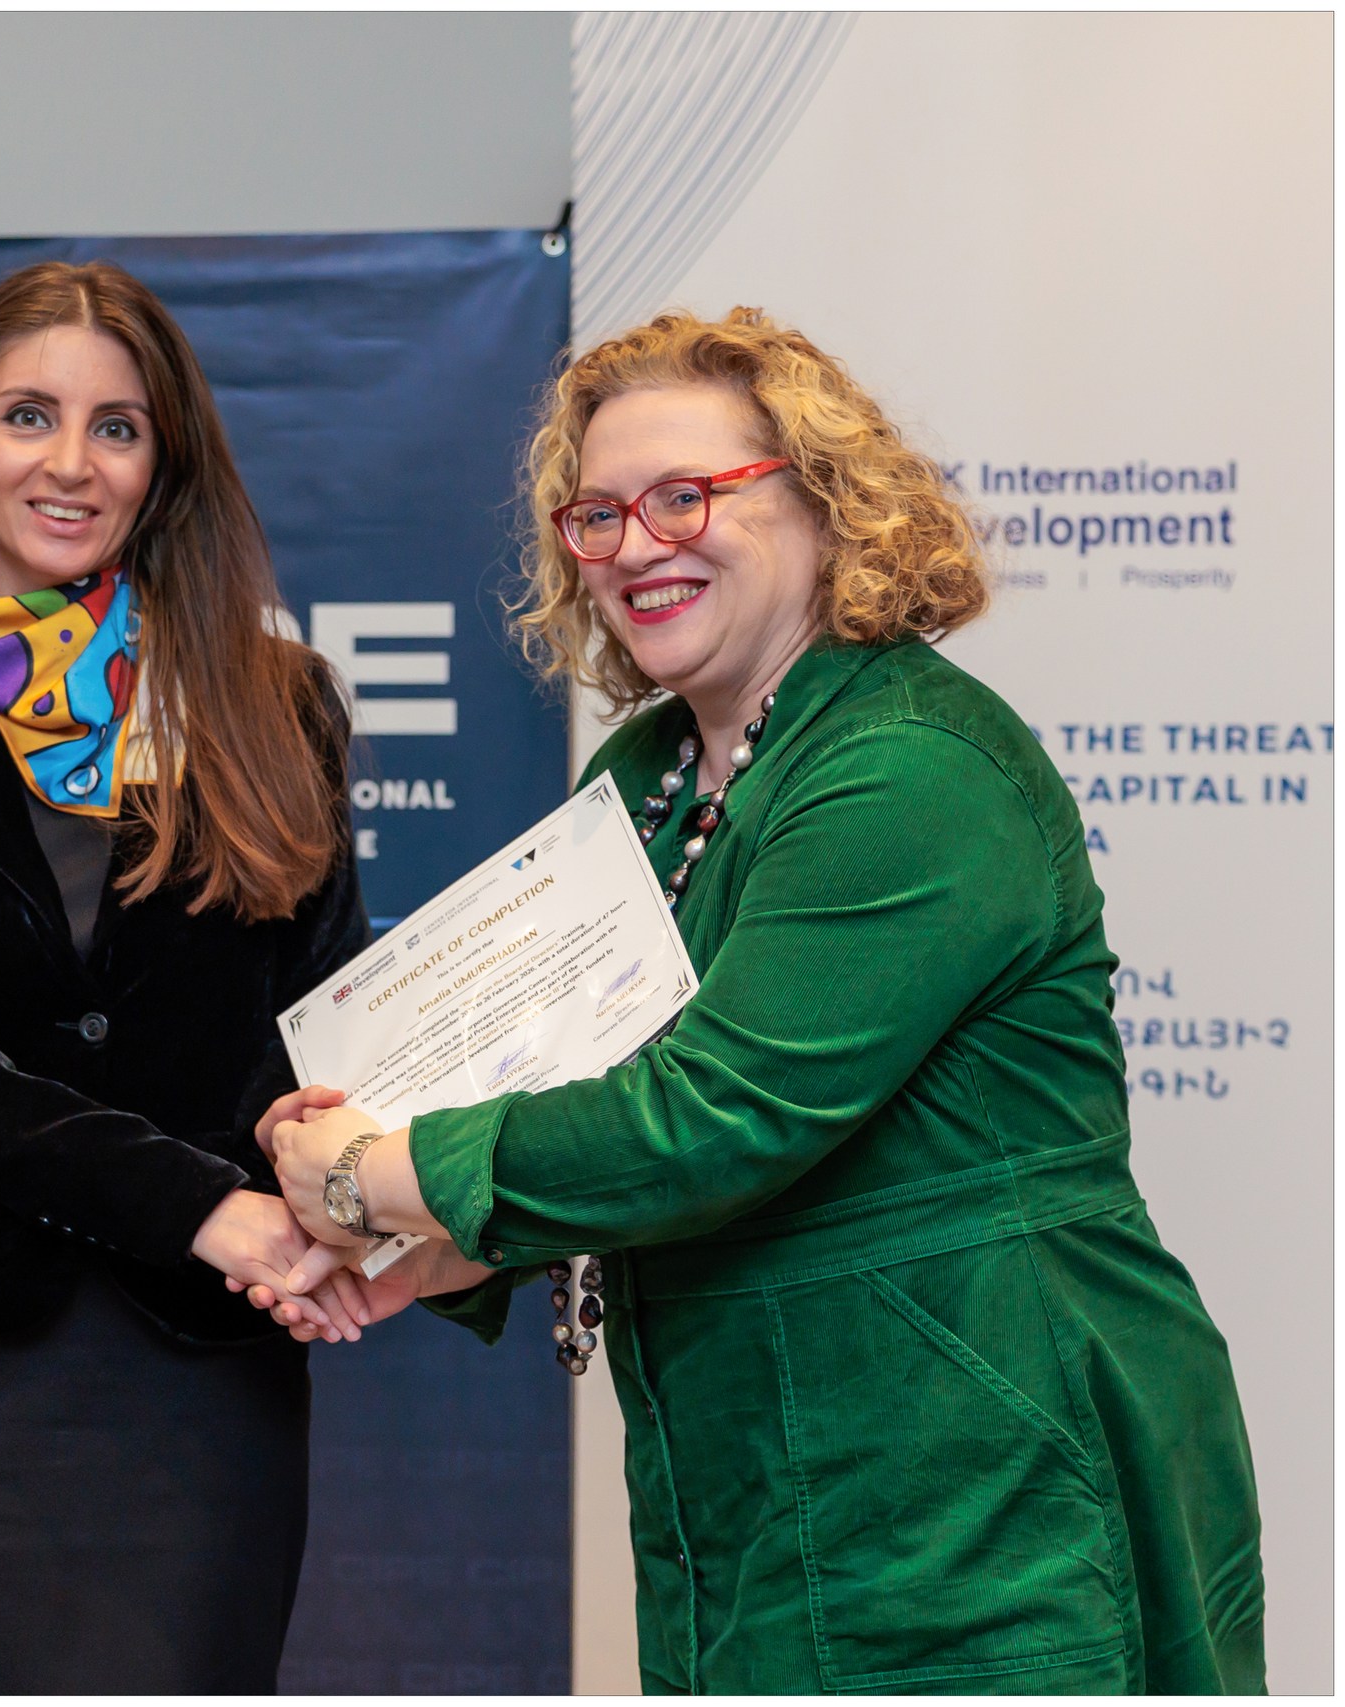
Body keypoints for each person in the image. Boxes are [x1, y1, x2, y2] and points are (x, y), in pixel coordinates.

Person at [254, 308, 1265, 1694]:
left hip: (982, 1478)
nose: (636, 545)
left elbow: (709, 1122)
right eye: (597, 514)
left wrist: (373, 1175)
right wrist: (425, 1253)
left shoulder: (909, 766)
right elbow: (579, 1092)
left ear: (826, 501)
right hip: (751, 1491)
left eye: (686, 496)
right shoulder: (645, 774)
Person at [0, 260, 373, 1692]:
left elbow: (322, 1011)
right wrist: (207, 1210)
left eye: (116, 426)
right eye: (28, 415)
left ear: (162, 462)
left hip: (200, 1381)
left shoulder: (276, 704)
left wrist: (320, 1180)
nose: (70, 461)